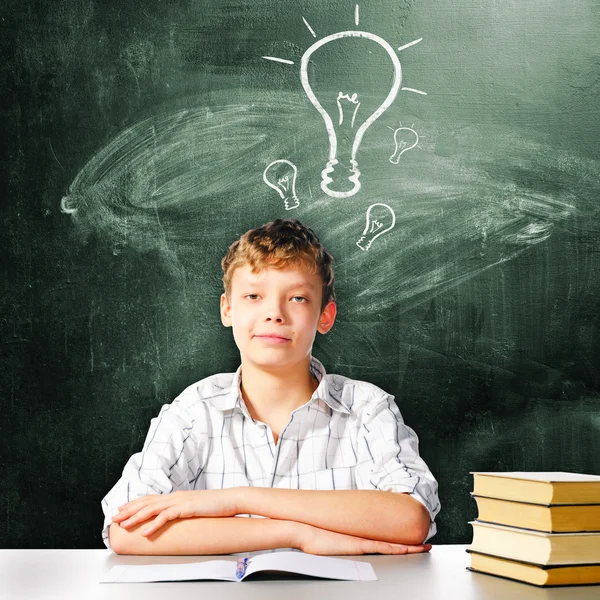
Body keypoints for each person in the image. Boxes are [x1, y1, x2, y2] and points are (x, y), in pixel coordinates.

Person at [102, 218, 440, 555]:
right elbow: (126, 530)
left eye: (297, 299)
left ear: (325, 316)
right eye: (253, 295)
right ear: (227, 309)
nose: (274, 313)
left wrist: (237, 499)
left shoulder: (366, 408)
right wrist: (296, 535)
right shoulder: (195, 410)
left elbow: (410, 520)